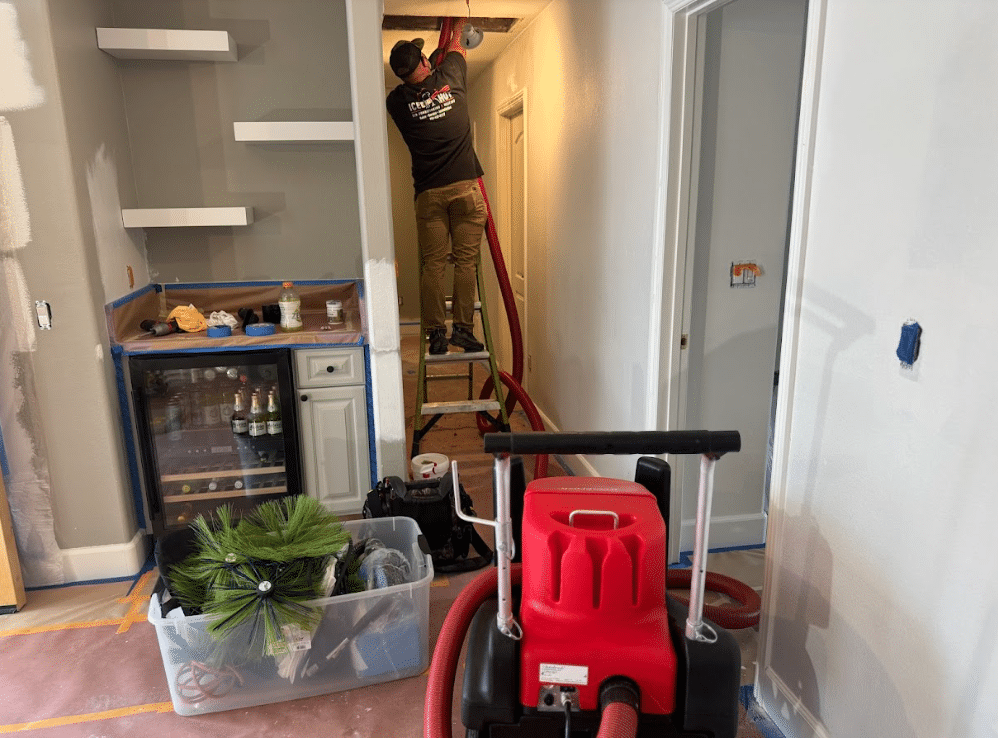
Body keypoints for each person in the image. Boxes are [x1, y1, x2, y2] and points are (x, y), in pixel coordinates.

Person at [386, 19, 486, 355]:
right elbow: (457, 41)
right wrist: (457, 23)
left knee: (433, 265)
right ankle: (463, 330)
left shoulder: (396, 102)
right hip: (464, 189)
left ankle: (436, 334)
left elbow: (415, 85)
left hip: (429, 195)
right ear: (425, 62)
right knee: (465, 262)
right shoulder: (452, 75)